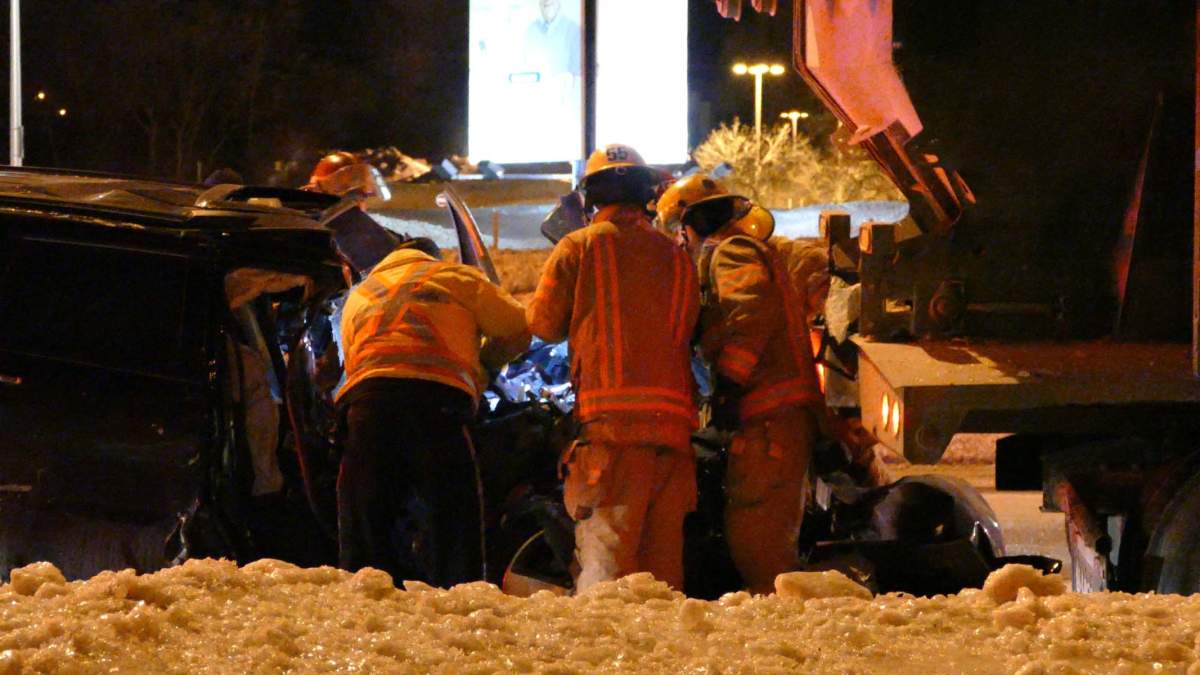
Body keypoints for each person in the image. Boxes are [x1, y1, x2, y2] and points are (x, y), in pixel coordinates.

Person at [527, 143, 699, 592]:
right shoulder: (678, 256)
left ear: (590, 199)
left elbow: (542, 325)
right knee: (662, 575)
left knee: (607, 563)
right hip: (674, 434)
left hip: (611, 433)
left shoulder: (579, 246)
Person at [336, 235, 530, 587]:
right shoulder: (454, 277)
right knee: (453, 513)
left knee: (366, 518)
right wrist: (484, 365)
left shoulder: (360, 295)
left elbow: (352, 358)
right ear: (432, 258)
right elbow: (517, 326)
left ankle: (365, 600)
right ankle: (457, 599)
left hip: (369, 405)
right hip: (436, 403)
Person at [671, 176, 824, 595]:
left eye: (680, 229)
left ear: (694, 222)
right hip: (778, 422)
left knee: (760, 553)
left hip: (768, 423)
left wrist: (729, 385)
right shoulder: (751, 250)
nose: (681, 241)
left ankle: (786, 644)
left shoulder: (731, 252)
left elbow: (750, 313)